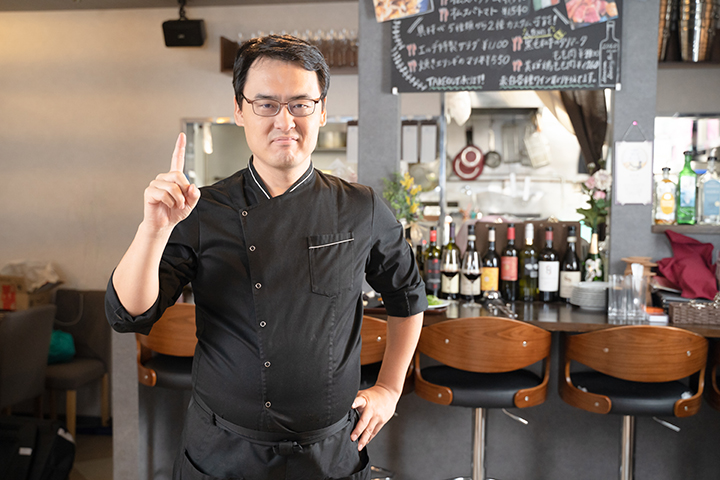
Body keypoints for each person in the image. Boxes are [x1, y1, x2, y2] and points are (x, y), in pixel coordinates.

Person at [105, 35, 427, 480]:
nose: (285, 121)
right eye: (266, 104)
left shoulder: (360, 207)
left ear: (322, 110)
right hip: (222, 455)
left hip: (329, 456)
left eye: (300, 104)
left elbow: (407, 295)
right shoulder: (200, 209)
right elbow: (128, 314)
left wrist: (389, 388)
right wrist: (153, 230)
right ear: (240, 110)